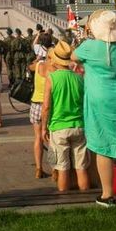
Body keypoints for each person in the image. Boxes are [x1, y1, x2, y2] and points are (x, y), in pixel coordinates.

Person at [72, 11, 116, 205]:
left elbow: (73, 56)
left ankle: (107, 194)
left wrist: (87, 37)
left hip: (100, 98)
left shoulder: (89, 47)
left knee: (103, 146)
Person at [41, 41, 92, 195]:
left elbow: (46, 107)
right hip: (78, 125)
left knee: (62, 168)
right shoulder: (78, 78)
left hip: (58, 127)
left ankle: (65, 200)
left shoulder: (52, 78)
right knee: (81, 167)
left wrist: (44, 127)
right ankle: (85, 198)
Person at [29, 44, 50, 179]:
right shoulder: (53, 69)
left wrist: (37, 60)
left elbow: (29, 66)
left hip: (36, 103)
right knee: (51, 138)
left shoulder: (37, 66)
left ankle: (38, 168)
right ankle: (56, 170)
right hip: (48, 105)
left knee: (37, 138)